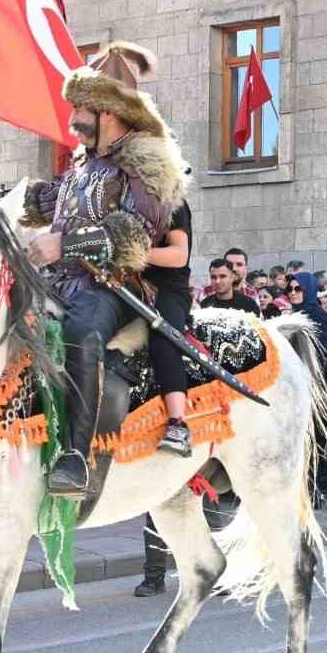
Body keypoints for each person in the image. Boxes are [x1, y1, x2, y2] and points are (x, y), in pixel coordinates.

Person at [16, 44, 186, 496]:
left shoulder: (146, 160)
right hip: (61, 279)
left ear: (107, 110)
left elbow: (131, 237)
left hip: (113, 286)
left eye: (82, 107)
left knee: (81, 333)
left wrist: (64, 243)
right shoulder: (84, 163)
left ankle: (76, 457)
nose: (74, 117)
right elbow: (42, 201)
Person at [132, 196, 194, 598]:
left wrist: (131, 251)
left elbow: (178, 254)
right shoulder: (113, 195)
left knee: (163, 341)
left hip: (165, 290)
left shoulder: (172, 203)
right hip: (121, 285)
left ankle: (178, 422)